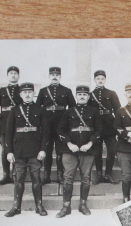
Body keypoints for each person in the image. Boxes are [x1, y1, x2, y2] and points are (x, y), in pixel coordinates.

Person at [56, 85, 103, 218]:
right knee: (68, 178)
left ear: (88, 97)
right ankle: (66, 206)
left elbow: (99, 130)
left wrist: (90, 143)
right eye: (79, 94)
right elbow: (60, 130)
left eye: (84, 94)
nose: (82, 96)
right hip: (70, 150)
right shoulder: (69, 111)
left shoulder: (94, 111)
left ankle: (83, 204)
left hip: (88, 150)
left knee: (86, 178)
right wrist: (69, 144)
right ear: (76, 96)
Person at [3, 82, 49, 218]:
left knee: (36, 179)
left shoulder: (40, 110)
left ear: (33, 94)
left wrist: (43, 149)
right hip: (18, 151)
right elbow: (9, 133)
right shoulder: (15, 110)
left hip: (35, 150)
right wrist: (9, 152)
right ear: (21, 94)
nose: (27, 95)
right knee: (19, 180)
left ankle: (39, 206)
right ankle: (16, 207)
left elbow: (46, 132)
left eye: (30, 92)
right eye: (25, 92)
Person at [36, 66, 75, 184]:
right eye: (52, 75)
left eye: (57, 75)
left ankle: (60, 175)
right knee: (47, 149)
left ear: (60, 77)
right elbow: (38, 109)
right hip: (47, 124)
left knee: (60, 151)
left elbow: (73, 108)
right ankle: (46, 175)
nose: (55, 77)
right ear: (49, 76)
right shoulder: (43, 91)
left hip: (61, 125)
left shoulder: (66, 91)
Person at [88, 70, 121, 183]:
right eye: (98, 79)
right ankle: (98, 175)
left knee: (112, 150)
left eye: (102, 79)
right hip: (96, 126)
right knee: (97, 151)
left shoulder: (111, 93)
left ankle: (108, 174)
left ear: (105, 80)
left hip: (109, 125)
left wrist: (117, 127)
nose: (100, 81)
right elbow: (88, 112)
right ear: (94, 80)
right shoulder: (90, 95)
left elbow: (118, 110)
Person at [0, 65, 21, 185]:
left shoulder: (22, 90)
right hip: (3, 125)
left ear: (18, 76)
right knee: (5, 150)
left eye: (15, 73)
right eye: (11, 73)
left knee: (17, 150)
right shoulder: (1, 91)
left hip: (18, 124)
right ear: (8, 76)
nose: (13, 75)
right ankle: (6, 175)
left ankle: (15, 175)